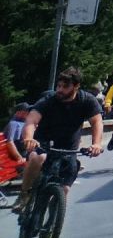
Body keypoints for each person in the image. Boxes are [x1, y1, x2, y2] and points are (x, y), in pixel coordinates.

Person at [11, 67, 102, 217]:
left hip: (69, 147)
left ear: (76, 86)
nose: (60, 90)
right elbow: (32, 120)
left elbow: (97, 122)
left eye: (65, 87)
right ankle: (24, 195)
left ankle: (52, 222)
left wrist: (97, 144)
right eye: (58, 86)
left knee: (64, 189)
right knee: (38, 158)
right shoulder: (48, 100)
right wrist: (28, 138)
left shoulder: (86, 100)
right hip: (42, 141)